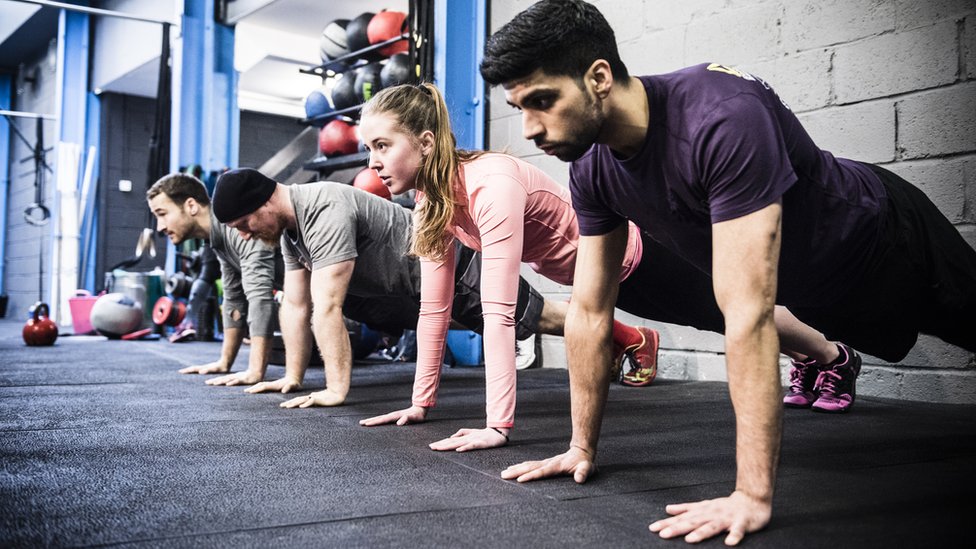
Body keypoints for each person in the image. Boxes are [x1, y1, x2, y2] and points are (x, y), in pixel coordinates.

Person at [479, 0, 976, 545]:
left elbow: (747, 314)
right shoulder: (594, 170)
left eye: (542, 102)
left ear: (598, 77)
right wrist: (580, 447)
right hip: (822, 294)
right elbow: (591, 311)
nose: (528, 128)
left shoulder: (721, 116)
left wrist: (752, 495)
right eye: (518, 107)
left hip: (886, 243)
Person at [355, 82, 845, 451]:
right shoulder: (431, 204)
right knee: (722, 314)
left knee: (729, 311)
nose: (373, 162)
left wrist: (496, 427)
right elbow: (433, 309)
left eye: (382, 145)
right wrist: (421, 404)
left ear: (424, 142)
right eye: (367, 149)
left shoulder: (489, 185)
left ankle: (831, 357)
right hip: (595, 280)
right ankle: (812, 358)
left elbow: (498, 313)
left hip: (641, 257)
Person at [210, 169, 645, 427]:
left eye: (245, 223)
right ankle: (618, 335)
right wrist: (292, 377)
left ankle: (634, 337)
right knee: (531, 319)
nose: (246, 235)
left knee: (542, 318)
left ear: (266, 199)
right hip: (411, 290)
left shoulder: (322, 206)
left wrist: (336, 389)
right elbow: (296, 305)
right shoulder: (291, 230)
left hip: (455, 270)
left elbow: (326, 306)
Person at [147, 173, 281, 385]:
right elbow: (234, 298)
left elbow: (259, 296)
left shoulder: (238, 227)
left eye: (162, 214)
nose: (160, 227)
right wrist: (224, 362)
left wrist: (255, 371)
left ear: (191, 205)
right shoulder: (219, 240)